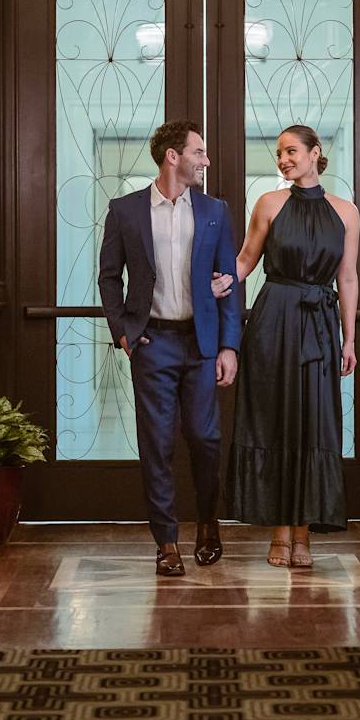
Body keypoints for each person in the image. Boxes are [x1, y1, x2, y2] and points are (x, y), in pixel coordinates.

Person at [97, 121, 243, 577]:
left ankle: (207, 522)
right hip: (151, 342)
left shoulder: (215, 210)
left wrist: (228, 345)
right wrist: (123, 331)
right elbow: (109, 276)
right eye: (199, 152)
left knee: (205, 439)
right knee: (156, 444)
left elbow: (229, 282)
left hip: (201, 345)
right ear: (173, 157)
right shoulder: (125, 211)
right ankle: (166, 543)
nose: (206, 160)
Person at [226, 126, 360, 568]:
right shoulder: (268, 203)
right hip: (273, 320)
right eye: (279, 153)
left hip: (320, 323)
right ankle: (280, 533)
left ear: (315, 154)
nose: (283, 159)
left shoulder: (347, 212)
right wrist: (218, 283)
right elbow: (245, 259)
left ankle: (304, 535)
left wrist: (350, 338)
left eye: (291, 151)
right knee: (275, 421)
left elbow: (348, 278)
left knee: (313, 424)